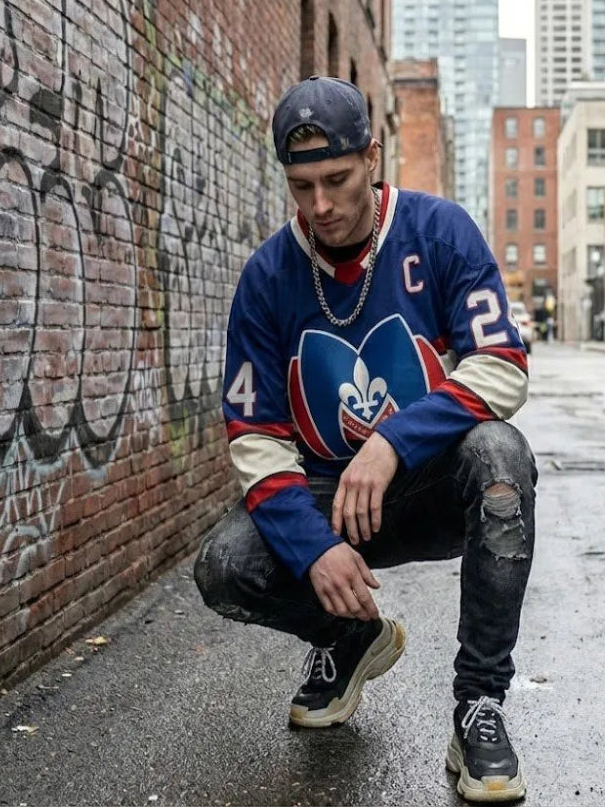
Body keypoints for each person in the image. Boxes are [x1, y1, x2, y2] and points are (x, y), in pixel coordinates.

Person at [195, 75, 537, 803]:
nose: (320, 205)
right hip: (328, 498)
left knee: (502, 457)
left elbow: (502, 365)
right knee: (225, 567)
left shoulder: (439, 231)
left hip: (425, 484)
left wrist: (392, 444)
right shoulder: (267, 277)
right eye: (302, 186)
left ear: (372, 159)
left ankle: (479, 706)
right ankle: (350, 637)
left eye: (338, 180)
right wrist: (310, 548)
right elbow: (255, 435)